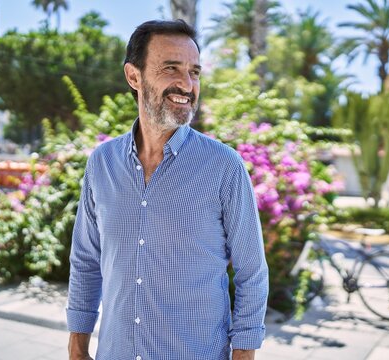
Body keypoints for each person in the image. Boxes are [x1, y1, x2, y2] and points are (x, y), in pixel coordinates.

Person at [67, 19, 269, 360]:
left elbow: (252, 273)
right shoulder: (101, 164)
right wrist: (76, 348)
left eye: (194, 71)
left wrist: (244, 355)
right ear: (134, 76)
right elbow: (86, 262)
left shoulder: (224, 167)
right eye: (171, 68)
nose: (186, 84)